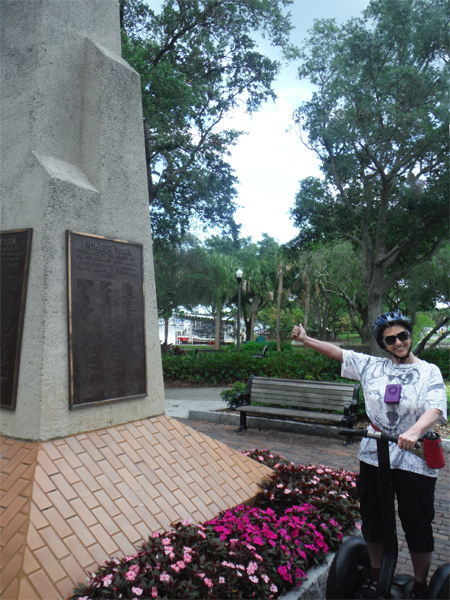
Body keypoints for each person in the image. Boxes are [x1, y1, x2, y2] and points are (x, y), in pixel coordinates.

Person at [291, 311, 447, 599]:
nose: (399, 342)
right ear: (383, 344)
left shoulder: (429, 371)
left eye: (403, 336)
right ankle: (375, 575)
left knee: (416, 522)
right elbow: (339, 353)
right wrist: (304, 339)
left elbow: (436, 407)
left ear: (410, 336)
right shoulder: (371, 366)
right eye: (391, 339)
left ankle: (421, 585)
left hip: (413, 457)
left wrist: (414, 431)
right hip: (374, 453)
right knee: (373, 518)